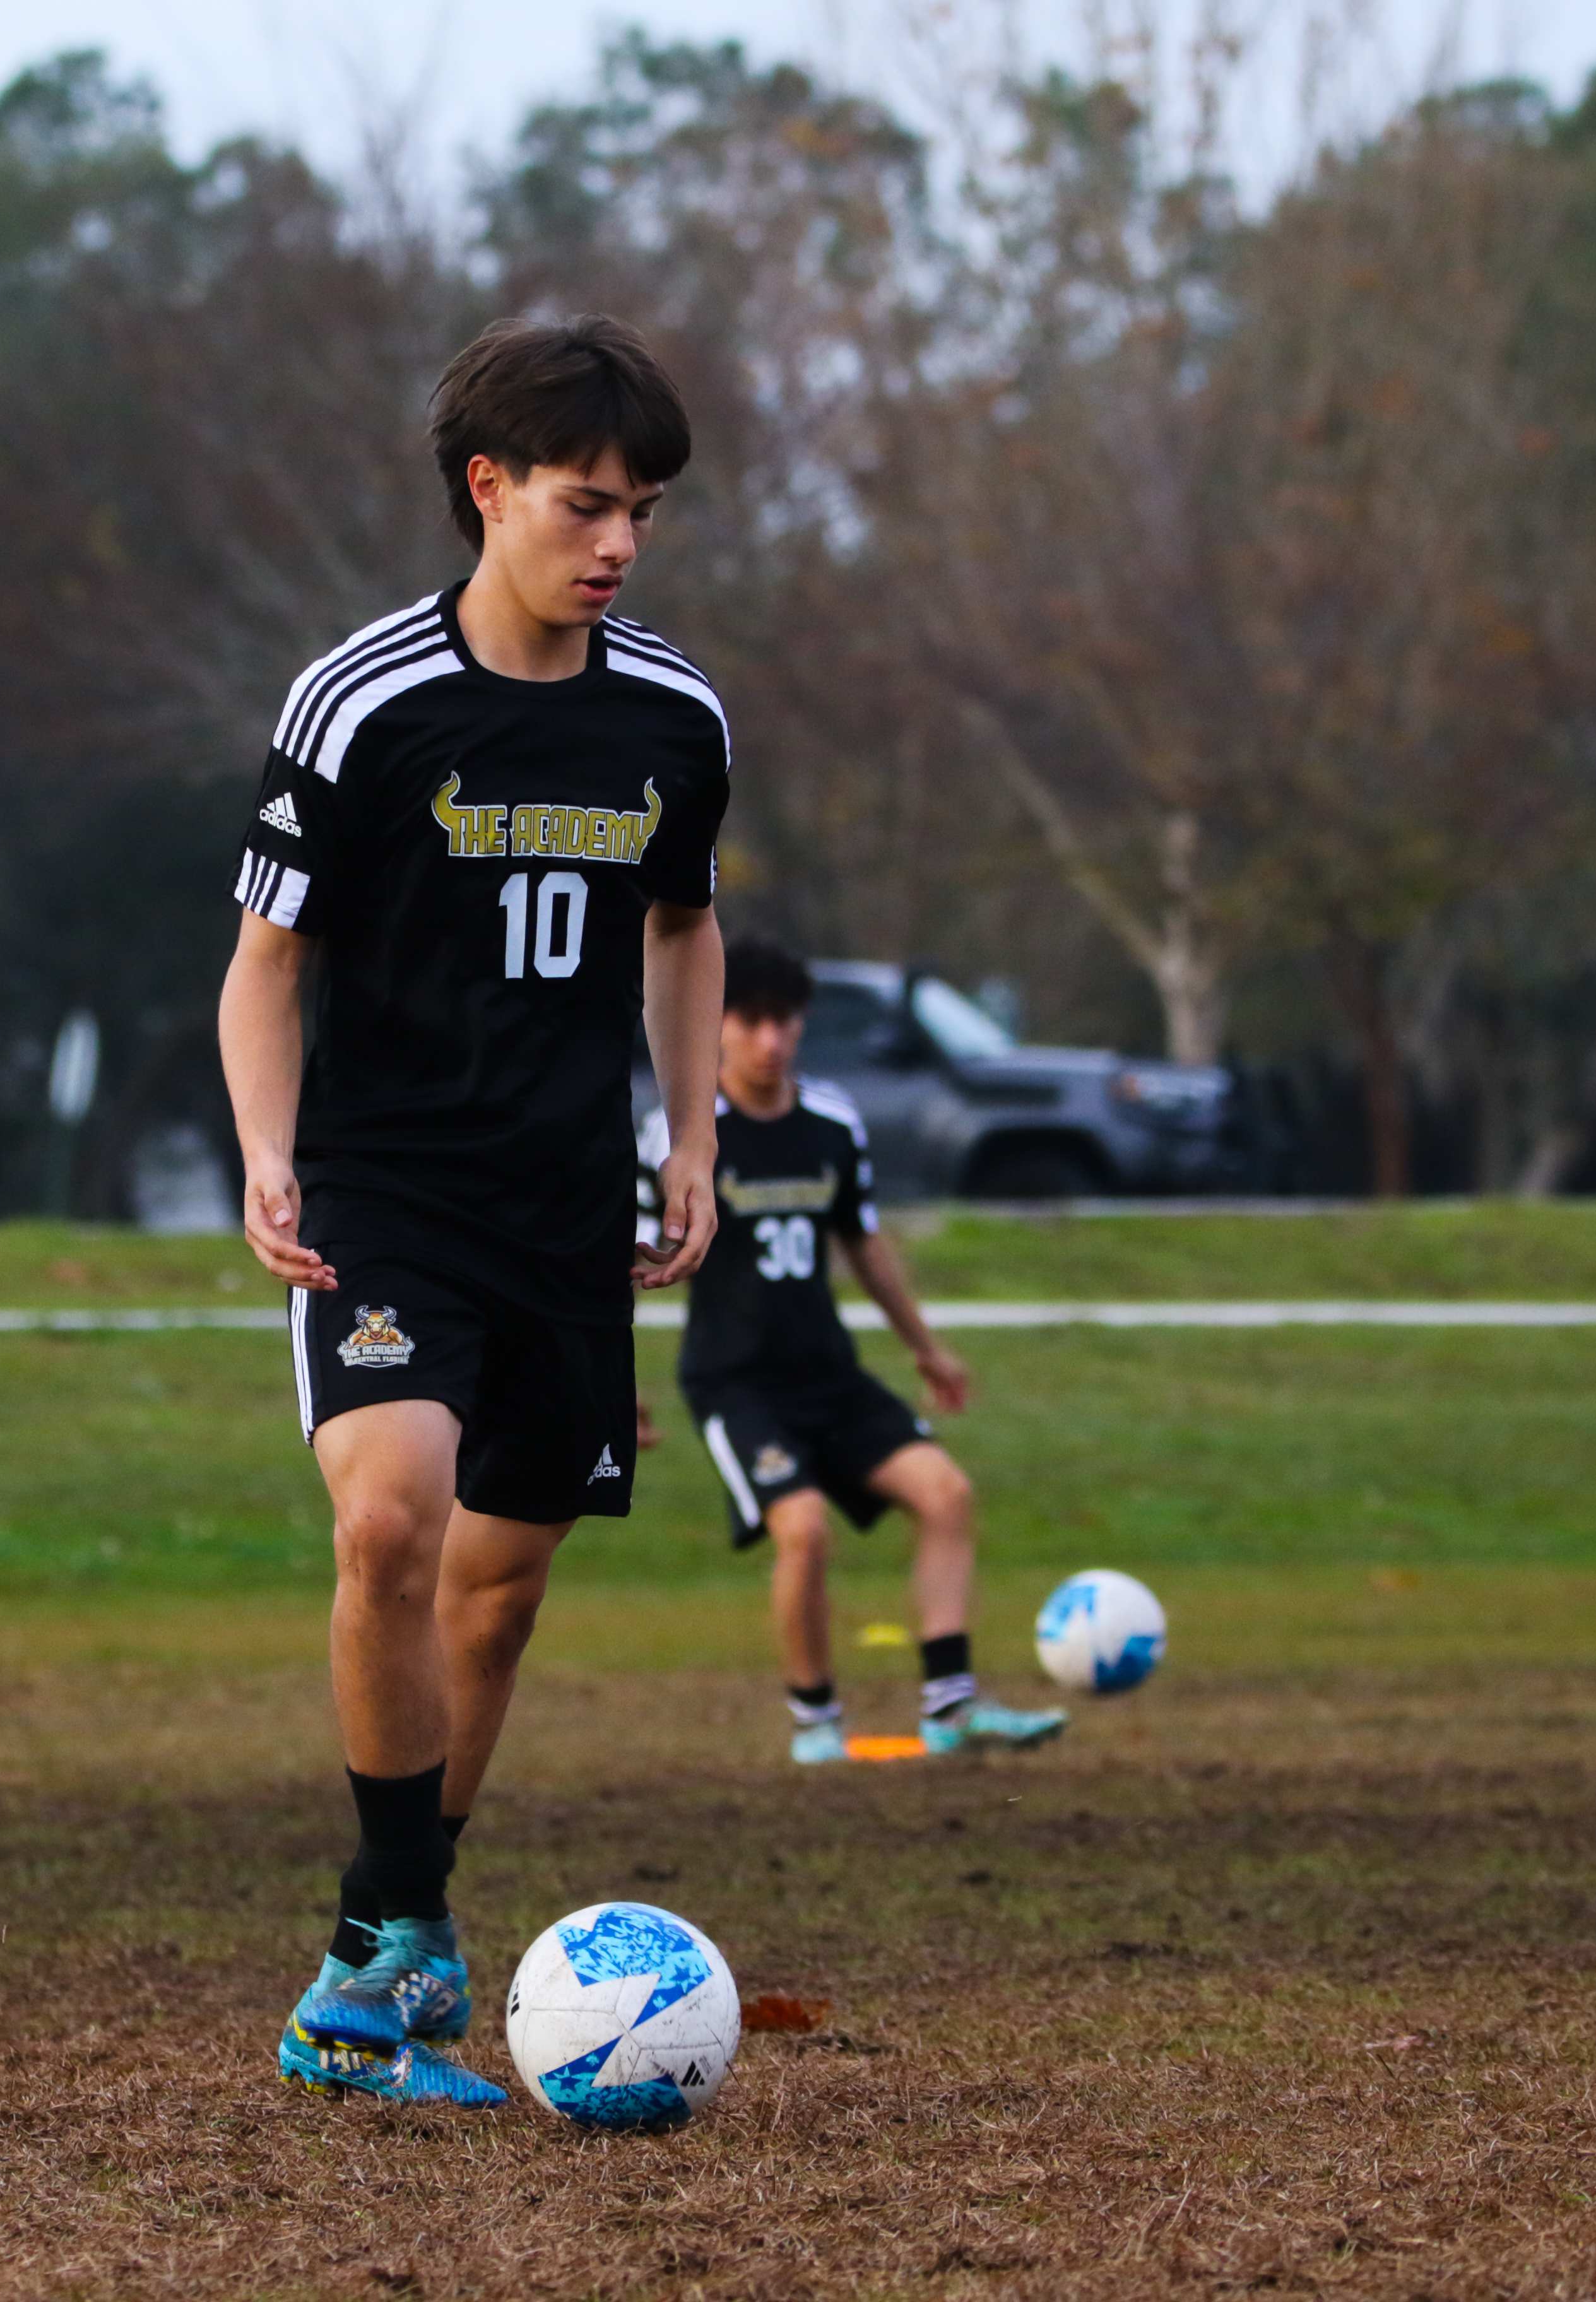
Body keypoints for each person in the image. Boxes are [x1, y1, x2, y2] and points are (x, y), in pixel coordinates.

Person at [220, 314, 731, 2106]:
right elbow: (260, 964)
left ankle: (376, 1957)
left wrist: (689, 1139)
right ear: (487, 489)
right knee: (392, 1522)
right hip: (386, 1191)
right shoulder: (358, 704)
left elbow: (683, 927)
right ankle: (394, 1948)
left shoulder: (672, 714)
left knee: (499, 1600)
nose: (620, 544)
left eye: (646, 512)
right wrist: (268, 1152)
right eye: (589, 504)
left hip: (565, 1205)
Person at [639, 937, 1065, 1765]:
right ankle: (816, 1721)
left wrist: (928, 1349)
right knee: (804, 1530)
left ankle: (951, 1706)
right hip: (736, 1383)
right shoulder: (680, 1137)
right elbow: (629, 1261)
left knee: (946, 1494)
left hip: (830, 1373)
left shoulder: (832, 1124)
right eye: (754, 1022)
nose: (773, 1041)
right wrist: (604, 1382)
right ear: (718, 1026)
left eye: (787, 1024)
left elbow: (865, 1246)